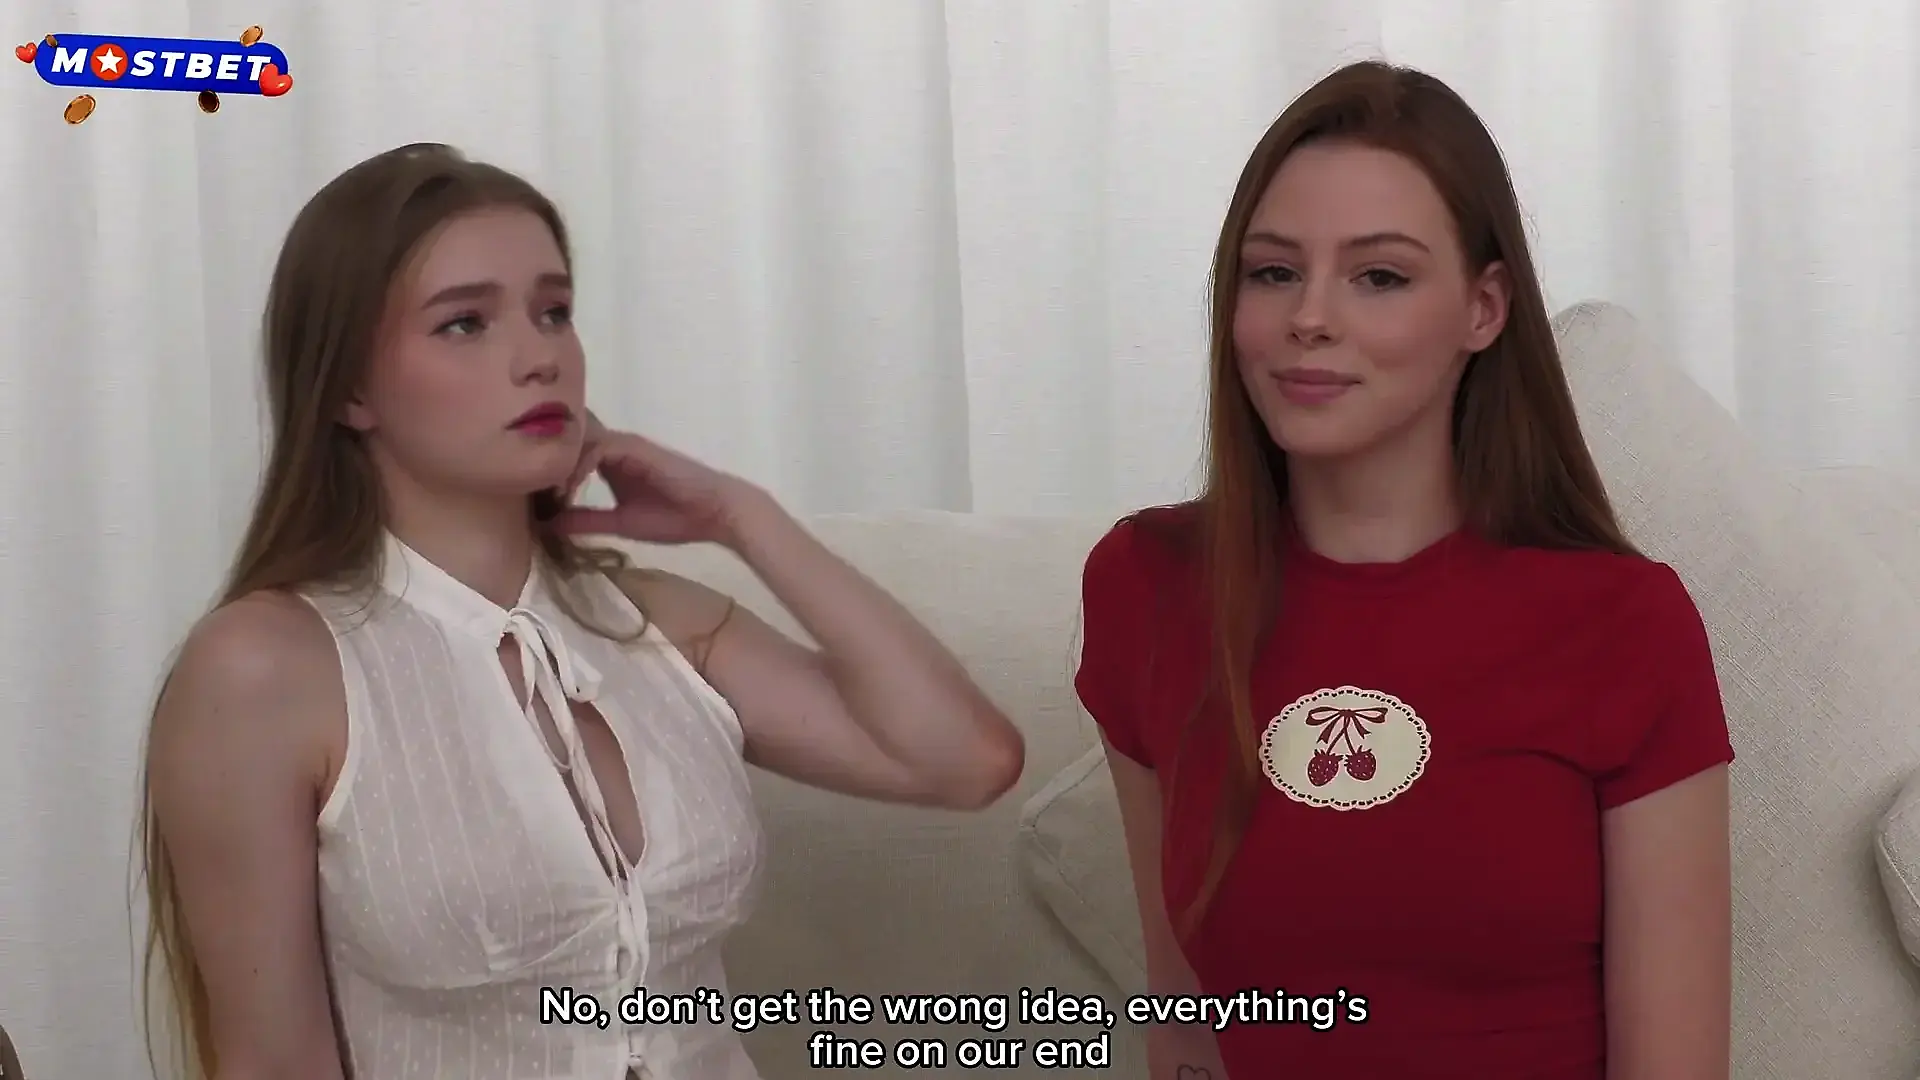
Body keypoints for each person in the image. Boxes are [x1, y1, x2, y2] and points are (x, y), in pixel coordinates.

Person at [137, 142, 1025, 1080]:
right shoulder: (264, 668)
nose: (539, 359)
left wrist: (742, 518)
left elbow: (967, 762)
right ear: (351, 388)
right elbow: (271, 1063)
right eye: (465, 323)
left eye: (554, 312)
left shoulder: (661, 626)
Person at [1076, 61, 1732, 1079]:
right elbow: (1188, 1023)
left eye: (1378, 276)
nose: (1310, 317)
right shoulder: (1148, 587)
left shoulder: (1624, 622)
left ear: (1484, 308)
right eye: (1273, 272)